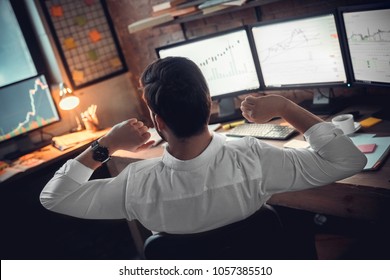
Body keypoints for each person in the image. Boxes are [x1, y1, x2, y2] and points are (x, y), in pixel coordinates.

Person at [40, 57, 366, 234]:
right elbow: (347, 161)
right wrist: (285, 107)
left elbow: (54, 197)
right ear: (208, 103)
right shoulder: (255, 158)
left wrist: (107, 144)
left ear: (158, 121)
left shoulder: (136, 184)